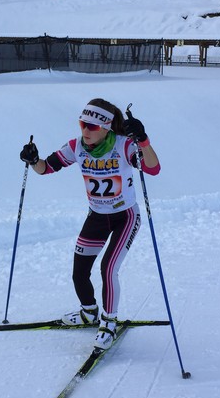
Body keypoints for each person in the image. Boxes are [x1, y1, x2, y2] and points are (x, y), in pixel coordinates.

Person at [18, 99, 160, 350]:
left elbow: (153, 168)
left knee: (108, 268)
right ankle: (89, 313)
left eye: (92, 126)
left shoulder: (124, 144)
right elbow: (46, 168)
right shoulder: (76, 147)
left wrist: (143, 139)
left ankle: (109, 322)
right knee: (79, 271)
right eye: (82, 124)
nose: (85, 130)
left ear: (106, 127)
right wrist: (33, 159)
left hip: (125, 217)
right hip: (97, 217)